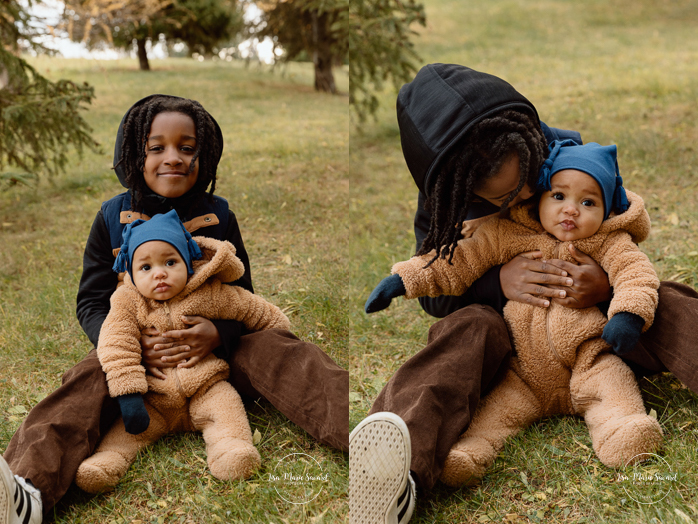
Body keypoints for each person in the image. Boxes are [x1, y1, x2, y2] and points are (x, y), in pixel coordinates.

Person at [349, 64, 698, 524]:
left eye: (531, 179)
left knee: (664, 299)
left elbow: (620, 245)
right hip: (511, 344)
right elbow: (437, 288)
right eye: (503, 197)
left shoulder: (565, 153)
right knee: (466, 329)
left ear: (532, 142)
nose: (528, 194)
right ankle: (392, 473)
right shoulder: (445, 199)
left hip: (597, 332)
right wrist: (499, 281)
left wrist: (606, 284)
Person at [1, 94, 348, 524]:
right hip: (136, 356)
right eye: (157, 147)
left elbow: (245, 295)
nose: (174, 159)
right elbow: (91, 300)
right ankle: (25, 488)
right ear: (133, 153)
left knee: (286, 351)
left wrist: (219, 334)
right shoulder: (112, 216)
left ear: (204, 155)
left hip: (219, 357)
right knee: (84, 382)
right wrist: (129, 345)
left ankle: (361, 436)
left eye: (187, 148)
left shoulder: (218, 215)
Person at [365, 140, 663, 484]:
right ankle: (467, 454)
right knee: (496, 413)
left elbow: (636, 275)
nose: (571, 210)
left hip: (589, 358)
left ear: (607, 208)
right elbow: (459, 260)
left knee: (613, 386)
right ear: (539, 198)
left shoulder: (609, 241)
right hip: (525, 373)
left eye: (588, 202)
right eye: (559, 196)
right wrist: (404, 280)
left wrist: (627, 316)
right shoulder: (509, 234)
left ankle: (623, 432)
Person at [76, 210, 291, 493]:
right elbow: (116, 346)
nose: (160, 273)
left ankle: (230, 450)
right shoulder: (127, 303)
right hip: (154, 398)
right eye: (146, 268)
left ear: (188, 263)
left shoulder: (208, 293)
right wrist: (129, 397)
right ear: (129, 272)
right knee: (126, 434)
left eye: (170, 262)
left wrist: (282, 335)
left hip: (206, 386)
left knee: (226, 411)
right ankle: (105, 463)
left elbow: (253, 309)